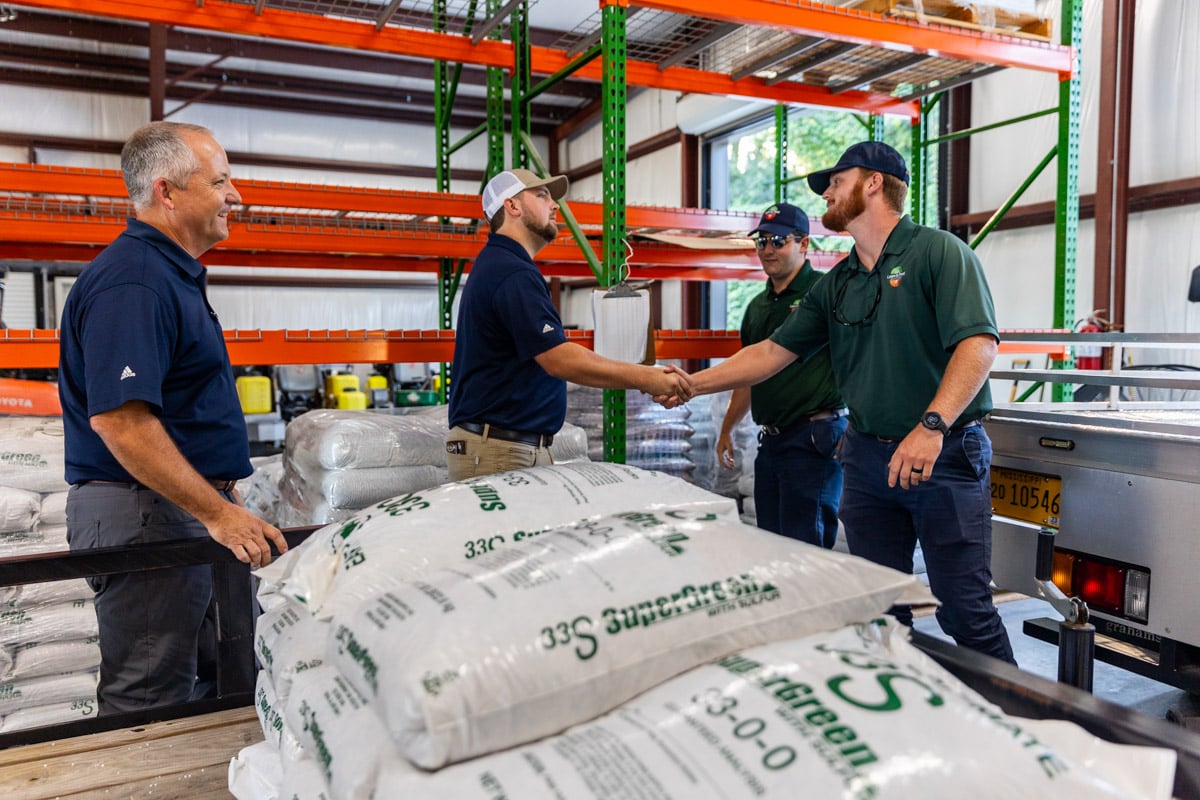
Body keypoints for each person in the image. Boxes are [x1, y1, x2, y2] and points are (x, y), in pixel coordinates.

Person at [678, 142, 1014, 664]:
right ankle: (901, 716)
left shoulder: (938, 252)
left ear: (874, 183)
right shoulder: (838, 283)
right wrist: (692, 385)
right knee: (879, 607)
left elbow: (979, 345)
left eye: (836, 181)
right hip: (867, 461)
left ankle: (1016, 733)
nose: (828, 192)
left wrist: (932, 425)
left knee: (963, 610)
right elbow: (770, 353)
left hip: (940, 455)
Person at [59, 121, 289, 713]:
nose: (235, 196)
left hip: (177, 510)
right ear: (167, 192)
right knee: (149, 700)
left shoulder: (166, 273)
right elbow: (121, 421)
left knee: (219, 682)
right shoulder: (134, 281)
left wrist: (221, 507)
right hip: (149, 515)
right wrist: (218, 514)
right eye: (220, 181)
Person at [446, 168, 693, 480]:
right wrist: (647, 378)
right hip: (500, 451)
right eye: (542, 195)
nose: (555, 206)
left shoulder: (504, 266)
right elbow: (559, 359)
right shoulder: (510, 272)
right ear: (512, 206)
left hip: (505, 447)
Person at [716, 202, 845, 548]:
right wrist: (727, 428)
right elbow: (747, 375)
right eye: (761, 242)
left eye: (778, 241)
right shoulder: (757, 307)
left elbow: (860, 360)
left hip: (813, 438)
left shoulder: (824, 293)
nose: (768, 250)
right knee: (772, 545)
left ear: (803, 244)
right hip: (772, 441)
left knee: (807, 546)